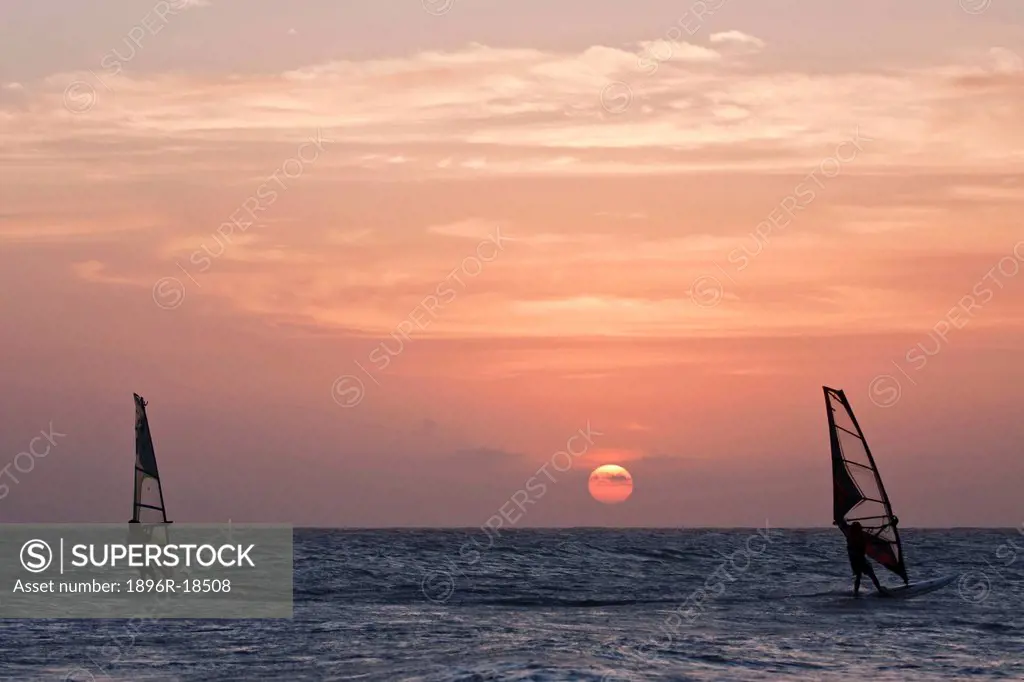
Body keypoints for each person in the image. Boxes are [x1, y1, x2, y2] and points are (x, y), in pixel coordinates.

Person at [846, 521, 888, 597]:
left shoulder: (860, 536)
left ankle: (858, 592)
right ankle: (857, 592)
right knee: (863, 575)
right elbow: (851, 550)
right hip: (857, 560)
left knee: (866, 575)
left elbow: (873, 536)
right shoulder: (851, 538)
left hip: (859, 560)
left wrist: (884, 527)